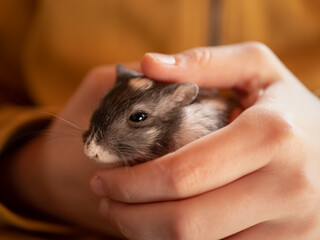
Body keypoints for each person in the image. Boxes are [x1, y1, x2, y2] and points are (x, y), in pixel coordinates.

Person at [0, 0, 319, 239]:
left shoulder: (198, 118)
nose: (95, 148)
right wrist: (31, 177)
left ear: (181, 101)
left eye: (138, 118)